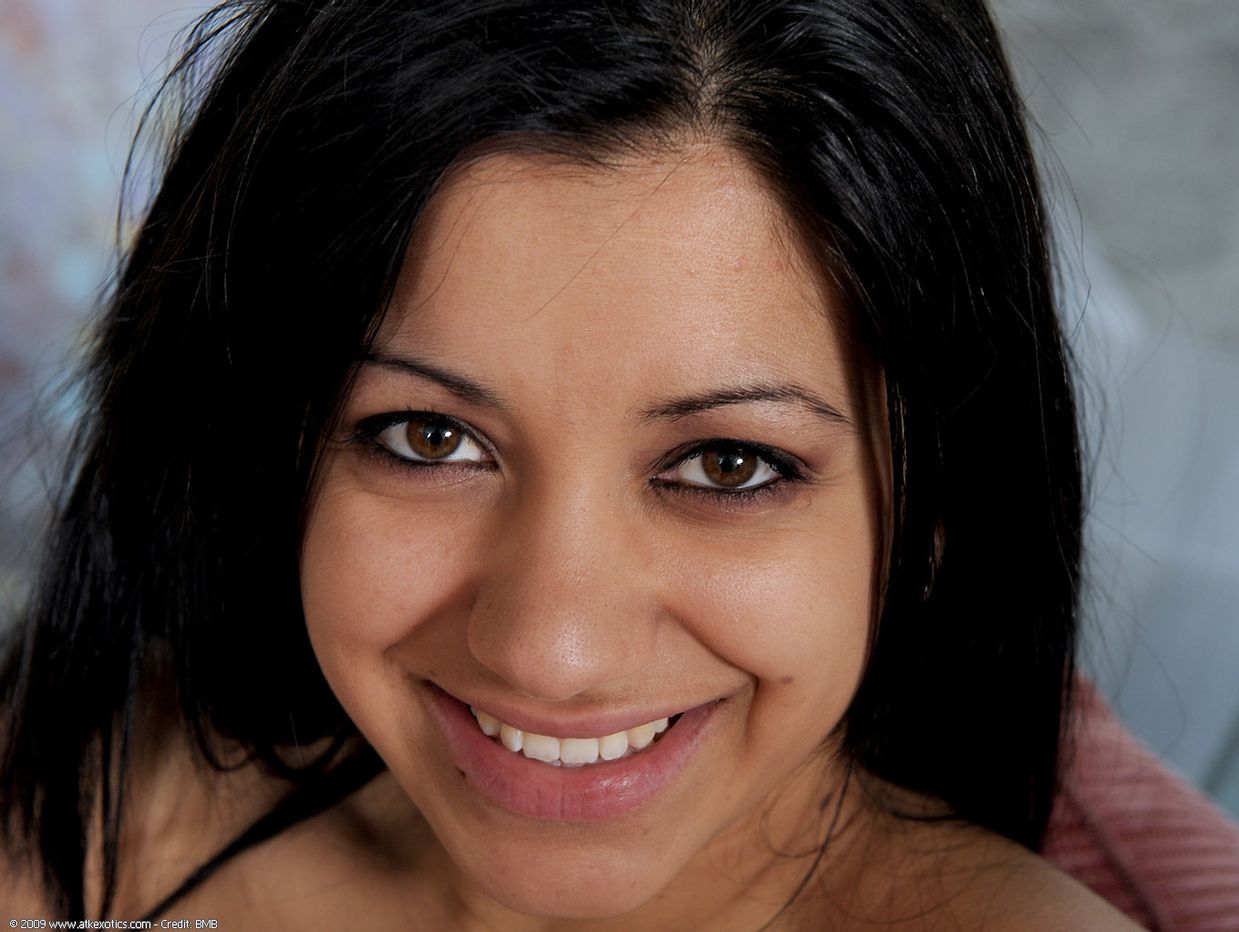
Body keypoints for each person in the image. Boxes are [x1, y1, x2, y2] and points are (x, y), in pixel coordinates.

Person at [0, 0, 1136, 926]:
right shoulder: (90, 819)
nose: (552, 652)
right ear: (274, 445)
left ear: (936, 500)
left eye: (727, 464)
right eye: (430, 437)